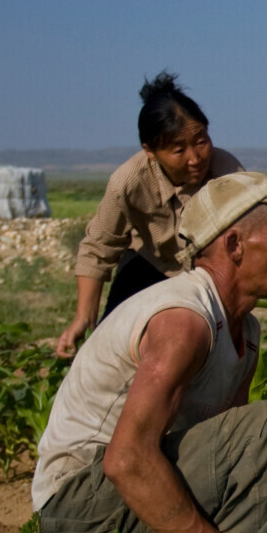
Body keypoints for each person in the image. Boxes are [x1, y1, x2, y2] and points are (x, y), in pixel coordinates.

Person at [32, 172, 267, 533]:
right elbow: (127, 460)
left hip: (137, 501)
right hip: (79, 511)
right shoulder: (184, 322)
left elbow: (239, 470)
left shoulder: (245, 330)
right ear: (234, 245)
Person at [55, 73, 242, 357]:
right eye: (179, 150)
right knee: (112, 349)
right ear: (151, 151)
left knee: (206, 357)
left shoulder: (228, 173)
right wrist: (83, 317)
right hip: (148, 265)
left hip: (206, 276)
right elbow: (98, 249)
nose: (195, 158)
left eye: (201, 141)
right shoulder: (128, 182)